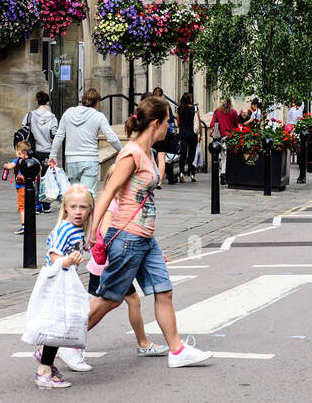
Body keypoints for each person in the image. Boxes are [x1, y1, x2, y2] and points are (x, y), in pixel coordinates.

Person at [84, 95, 212, 368]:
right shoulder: (130, 154)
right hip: (127, 237)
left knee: (164, 291)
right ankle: (62, 342)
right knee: (108, 300)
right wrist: (93, 230)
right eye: (168, 122)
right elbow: (108, 191)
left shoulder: (149, 153)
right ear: (155, 123)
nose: (170, 127)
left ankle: (177, 351)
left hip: (145, 239)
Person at [85, 187, 167, 360]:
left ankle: (66, 342)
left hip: (111, 264)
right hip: (110, 265)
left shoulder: (121, 204)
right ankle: (66, 342)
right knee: (101, 305)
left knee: (121, 302)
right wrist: (124, 251)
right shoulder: (113, 206)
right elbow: (107, 233)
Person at [31, 184, 93, 388]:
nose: (78, 211)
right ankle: (44, 370)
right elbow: (54, 256)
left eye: (83, 207)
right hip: (56, 284)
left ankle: (45, 357)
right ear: (65, 208)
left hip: (65, 282)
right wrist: (68, 261)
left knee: (62, 325)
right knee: (57, 327)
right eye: (73, 207)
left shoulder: (78, 229)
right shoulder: (64, 229)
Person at [48, 88, 122, 196]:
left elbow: (59, 135)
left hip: (72, 160)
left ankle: (74, 213)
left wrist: (53, 155)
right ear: (97, 102)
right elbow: (112, 138)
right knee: (86, 196)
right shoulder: (99, 116)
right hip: (90, 159)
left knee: (75, 195)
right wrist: (122, 150)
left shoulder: (68, 113)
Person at [23, 91, 59, 169]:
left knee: (34, 176)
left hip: (33, 151)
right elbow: (54, 135)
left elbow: (24, 130)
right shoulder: (52, 117)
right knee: (47, 177)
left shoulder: (30, 115)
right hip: (47, 151)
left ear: (37, 102)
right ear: (47, 103)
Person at [210, 98, 240, 183]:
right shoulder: (233, 112)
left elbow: (212, 124)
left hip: (219, 137)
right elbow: (236, 125)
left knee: (220, 156)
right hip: (229, 137)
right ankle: (223, 173)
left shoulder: (216, 112)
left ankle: (221, 172)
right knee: (225, 156)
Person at [175, 93, 200, 182]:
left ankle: (181, 173)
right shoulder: (195, 109)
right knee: (192, 154)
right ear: (190, 99)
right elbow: (198, 122)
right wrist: (200, 135)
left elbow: (178, 122)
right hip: (192, 134)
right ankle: (192, 174)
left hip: (183, 133)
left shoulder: (179, 109)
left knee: (183, 154)